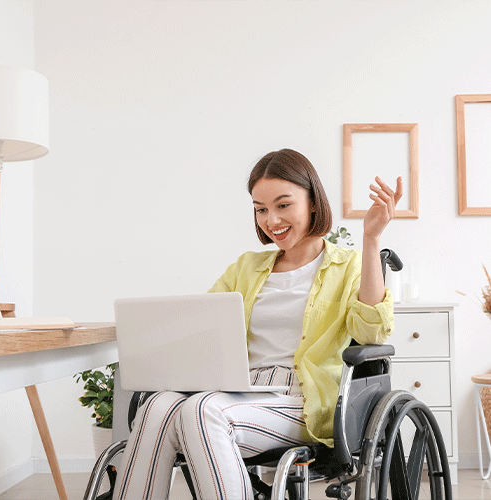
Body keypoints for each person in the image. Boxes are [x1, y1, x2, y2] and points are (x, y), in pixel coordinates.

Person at [113, 148, 402, 500]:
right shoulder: (247, 267)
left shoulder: (348, 265)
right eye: (260, 209)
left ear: (313, 202)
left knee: (203, 411)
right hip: (239, 388)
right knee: (156, 406)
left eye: (283, 205)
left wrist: (371, 239)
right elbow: (198, 325)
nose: (271, 219)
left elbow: (371, 333)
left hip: (305, 398)